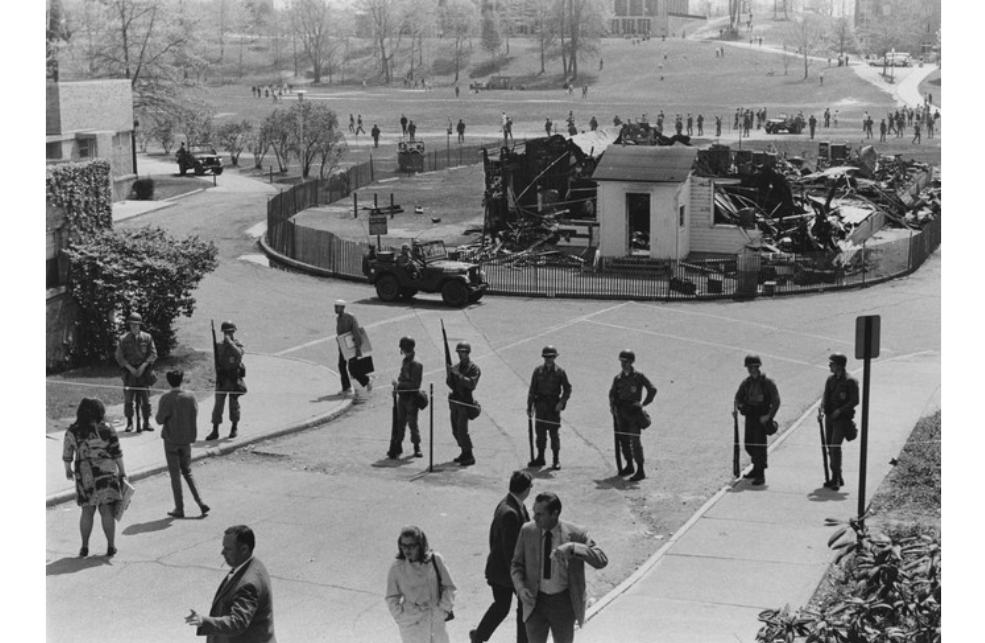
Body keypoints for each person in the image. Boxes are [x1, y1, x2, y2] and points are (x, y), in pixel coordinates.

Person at [511, 493, 608, 643]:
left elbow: (601, 560)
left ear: (555, 514)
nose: (534, 518)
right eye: (533, 512)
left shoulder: (577, 533)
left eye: (539, 514)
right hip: (535, 603)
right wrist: (520, 587)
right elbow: (516, 565)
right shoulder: (527, 530)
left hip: (563, 604)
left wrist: (574, 547)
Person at [471, 472, 533, 643]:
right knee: (518, 607)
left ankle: (478, 637)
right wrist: (519, 577)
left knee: (502, 607)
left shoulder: (510, 504)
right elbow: (510, 550)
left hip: (500, 571)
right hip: (505, 572)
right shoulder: (511, 512)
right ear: (526, 489)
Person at [186, 525, 277, 643]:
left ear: (244, 549)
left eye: (227, 549)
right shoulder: (251, 565)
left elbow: (237, 623)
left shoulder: (248, 583)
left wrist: (204, 621)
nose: (222, 552)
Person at [63, 398, 128, 558]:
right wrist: (122, 471)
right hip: (106, 474)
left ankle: (84, 547)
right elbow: (116, 452)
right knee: (107, 511)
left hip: (84, 475)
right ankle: (111, 546)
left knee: (87, 511)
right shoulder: (107, 428)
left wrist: (68, 470)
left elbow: (67, 453)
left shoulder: (73, 430)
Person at [386, 526, 456, 643]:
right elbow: (391, 597)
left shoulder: (435, 560)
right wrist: (400, 617)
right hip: (411, 624)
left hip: (435, 620)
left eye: (411, 546)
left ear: (420, 545)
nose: (407, 550)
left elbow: (449, 587)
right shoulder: (397, 568)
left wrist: (443, 610)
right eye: (404, 546)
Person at [157, 369, 210, 519]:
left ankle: (179, 507)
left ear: (168, 381)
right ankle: (200, 501)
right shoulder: (191, 396)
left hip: (171, 440)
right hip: (186, 440)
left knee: (175, 475)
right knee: (188, 471)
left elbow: (159, 420)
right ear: (182, 380)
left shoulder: (166, 398)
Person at [609, 350, 657, 482]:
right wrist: (612, 407)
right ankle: (629, 465)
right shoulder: (618, 378)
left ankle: (640, 469)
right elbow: (612, 393)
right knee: (624, 441)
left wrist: (643, 404)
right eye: (621, 362)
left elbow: (652, 389)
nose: (623, 364)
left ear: (631, 362)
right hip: (621, 414)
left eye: (625, 362)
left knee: (635, 442)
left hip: (634, 414)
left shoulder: (638, 376)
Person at [733, 355, 780, 486]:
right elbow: (738, 397)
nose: (751, 369)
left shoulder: (767, 383)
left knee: (759, 446)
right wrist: (737, 407)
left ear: (758, 367)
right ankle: (756, 467)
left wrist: (769, 416)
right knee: (749, 444)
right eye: (749, 367)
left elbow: (776, 401)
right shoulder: (746, 383)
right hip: (750, 416)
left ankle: (760, 473)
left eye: (753, 367)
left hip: (761, 417)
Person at [527, 346, 573, 470]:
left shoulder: (559, 372)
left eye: (550, 357)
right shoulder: (538, 371)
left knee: (554, 433)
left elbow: (567, 389)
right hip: (541, 405)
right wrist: (529, 406)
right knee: (540, 433)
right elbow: (532, 390)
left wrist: (561, 403)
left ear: (554, 358)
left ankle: (556, 459)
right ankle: (540, 457)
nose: (548, 360)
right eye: (546, 357)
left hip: (553, 406)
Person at [820, 353, 859, 492]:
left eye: (832, 364)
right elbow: (826, 396)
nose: (830, 366)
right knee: (830, 447)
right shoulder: (830, 379)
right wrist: (822, 409)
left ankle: (835, 477)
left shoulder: (850, 381)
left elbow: (855, 400)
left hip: (841, 419)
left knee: (835, 446)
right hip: (830, 417)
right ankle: (837, 475)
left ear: (839, 366)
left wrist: (841, 411)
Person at [115, 312, 158, 433]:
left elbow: (153, 353)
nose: (134, 327)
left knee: (146, 399)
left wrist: (144, 365)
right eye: (132, 325)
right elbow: (119, 356)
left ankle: (146, 422)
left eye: (137, 325)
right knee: (128, 399)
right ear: (129, 325)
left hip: (143, 372)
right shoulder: (123, 339)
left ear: (140, 325)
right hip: (130, 372)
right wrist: (129, 367)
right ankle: (129, 423)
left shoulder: (147, 337)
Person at [208, 321, 246, 441]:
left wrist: (230, 343)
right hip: (223, 379)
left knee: (233, 405)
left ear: (233, 332)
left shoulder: (238, 344)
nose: (227, 334)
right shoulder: (219, 345)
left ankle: (234, 427)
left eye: (229, 332)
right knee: (218, 406)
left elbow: (239, 355)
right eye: (225, 332)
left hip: (234, 378)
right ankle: (215, 429)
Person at [447, 341, 481, 467]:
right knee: (455, 430)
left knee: (462, 430)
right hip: (455, 401)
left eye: (462, 352)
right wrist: (450, 374)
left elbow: (472, 384)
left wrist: (458, 375)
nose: (460, 355)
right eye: (459, 352)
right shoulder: (456, 367)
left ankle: (469, 454)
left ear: (467, 353)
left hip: (465, 402)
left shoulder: (473, 368)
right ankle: (463, 451)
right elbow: (450, 384)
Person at [391, 337, 424, 460]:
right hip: (403, 396)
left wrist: (399, 386)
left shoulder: (416, 364)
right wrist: (397, 388)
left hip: (411, 398)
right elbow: (402, 377)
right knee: (400, 423)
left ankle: (417, 447)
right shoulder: (406, 361)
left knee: (412, 424)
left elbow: (415, 385)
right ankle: (398, 445)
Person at [335, 300, 372, 396]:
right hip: (343, 347)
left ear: (343, 307)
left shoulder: (350, 318)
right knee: (341, 366)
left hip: (351, 347)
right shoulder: (338, 318)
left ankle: (367, 380)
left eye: (337, 307)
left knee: (352, 368)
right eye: (335, 306)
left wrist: (357, 348)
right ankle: (346, 387)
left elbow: (356, 332)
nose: (335, 309)